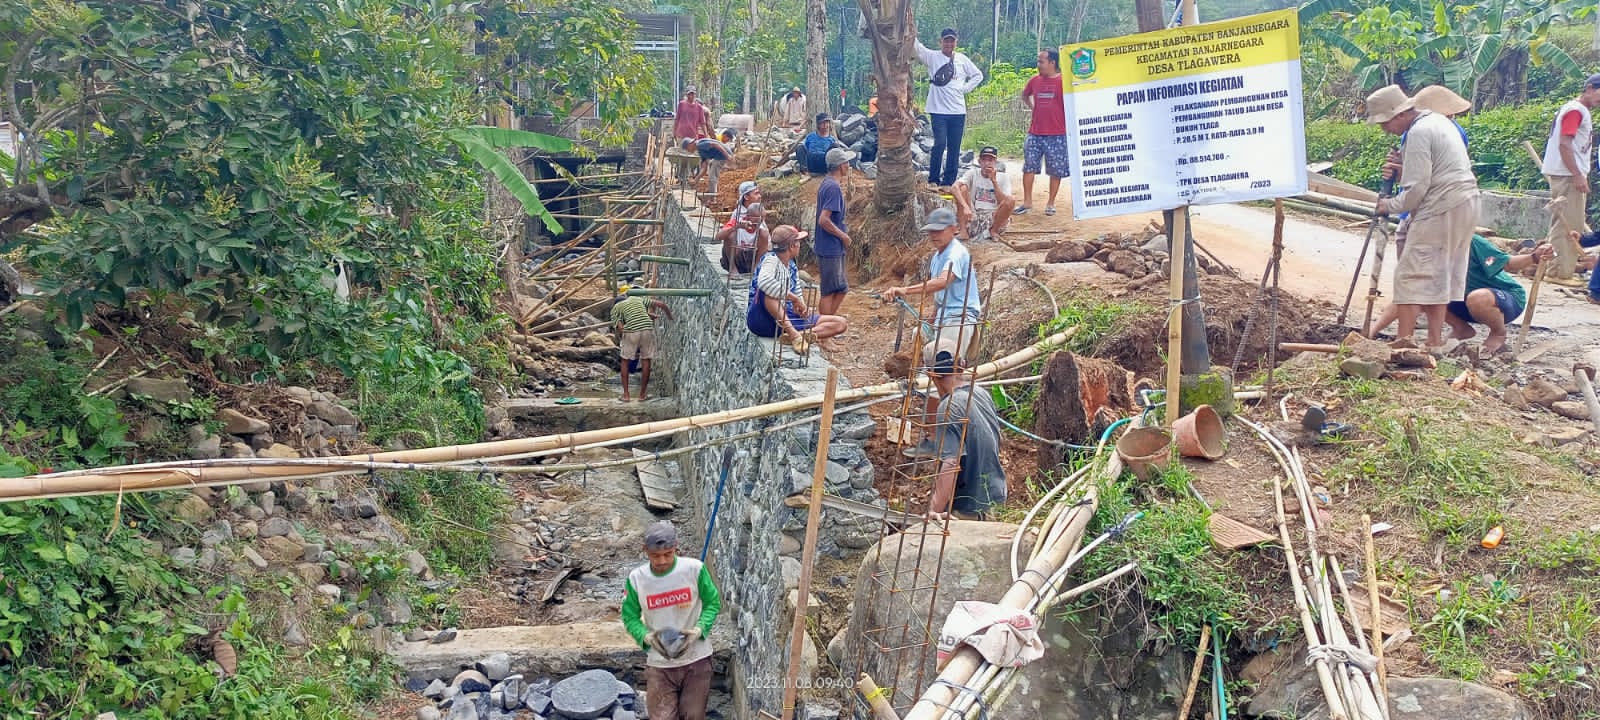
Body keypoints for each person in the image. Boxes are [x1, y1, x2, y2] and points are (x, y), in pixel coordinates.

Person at [1368, 84, 1479, 354]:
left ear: (1399, 114)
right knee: (1438, 274)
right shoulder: (1438, 122)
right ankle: (1434, 342)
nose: (1385, 130)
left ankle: (1403, 342)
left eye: (1385, 123)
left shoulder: (1419, 131)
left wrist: (1389, 205)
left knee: (1410, 276)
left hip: (1442, 205)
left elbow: (1417, 188)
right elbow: (1430, 172)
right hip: (1464, 201)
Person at [882, 207, 983, 459]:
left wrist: (905, 291)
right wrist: (933, 316)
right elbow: (941, 294)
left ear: (953, 229)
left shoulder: (956, 253)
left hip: (959, 319)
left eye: (939, 230)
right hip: (946, 318)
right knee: (933, 376)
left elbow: (943, 281)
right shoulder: (938, 255)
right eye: (931, 231)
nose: (934, 235)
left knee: (944, 375)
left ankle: (955, 439)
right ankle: (934, 438)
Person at [1369, 238, 1553, 355]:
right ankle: (1461, 328)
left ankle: (1498, 332)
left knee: (1478, 298)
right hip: (1460, 302)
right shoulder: (1427, 247)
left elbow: (1509, 263)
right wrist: (1371, 333)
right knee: (1419, 291)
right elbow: (1406, 296)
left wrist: (1534, 257)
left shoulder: (1472, 242)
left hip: (1503, 299)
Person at [621, 521, 720, 720]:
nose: (662, 561)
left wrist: (699, 630)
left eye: (668, 554)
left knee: (693, 715)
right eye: (655, 555)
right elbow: (630, 617)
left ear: (676, 548)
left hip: (696, 659)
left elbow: (713, 603)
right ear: (645, 550)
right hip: (660, 663)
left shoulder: (694, 569)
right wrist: (646, 637)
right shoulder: (637, 579)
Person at [917, 334, 1006, 520]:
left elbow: (951, 463)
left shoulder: (948, 407)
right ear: (962, 364)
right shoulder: (979, 392)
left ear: (931, 374)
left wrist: (934, 510)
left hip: (969, 506)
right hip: (994, 494)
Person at [1539, 74, 1600, 284]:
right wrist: (1577, 174)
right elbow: (1565, 144)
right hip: (1567, 174)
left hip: (1566, 172)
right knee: (1567, 224)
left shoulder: (1577, 110)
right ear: (1589, 88)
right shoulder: (1576, 110)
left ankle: (1559, 268)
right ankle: (1558, 272)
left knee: (1566, 222)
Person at [746, 225, 849, 348]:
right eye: (798, 242)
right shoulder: (771, 260)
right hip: (763, 319)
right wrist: (794, 298)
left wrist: (802, 307)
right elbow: (764, 282)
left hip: (785, 316)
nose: (800, 245)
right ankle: (794, 334)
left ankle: (800, 335)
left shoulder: (791, 265)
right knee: (767, 292)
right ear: (791, 246)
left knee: (840, 323)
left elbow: (796, 290)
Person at [915, 27, 984, 188]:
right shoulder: (932, 57)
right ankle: (933, 179)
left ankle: (949, 181)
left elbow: (978, 75)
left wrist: (965, 88)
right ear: (941, 41)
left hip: (958, 111)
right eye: (946, 40)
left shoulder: (962, 59)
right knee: (939, 143)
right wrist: (908, 28)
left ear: (956, 42)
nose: (949, 43)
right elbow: (917, 48)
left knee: (954, 147)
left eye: (952, 41)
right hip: (938, 111)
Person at [1019, 48, 1070, 216]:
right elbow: (1025, 95)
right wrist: (1033, 107)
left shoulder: (1064, 82)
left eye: (1041, 61)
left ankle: (1051, 203)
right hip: (1035, 132)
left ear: (1052, 62)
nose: (1038, 64)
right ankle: (1027, 202)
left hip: (1058, 133)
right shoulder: (1034, 81)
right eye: (1038, 61)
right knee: (1029, 166)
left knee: (1056, 170)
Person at [610, 286, 674, 402]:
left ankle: (626, 395)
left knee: (625, 360)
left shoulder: (616, 308)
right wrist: (670, 317)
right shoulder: (638, 299)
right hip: (647, 329)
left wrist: (628, 340)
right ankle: (642, 395)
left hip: (631, 331)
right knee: (646, 359)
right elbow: (661, 304)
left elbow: (621, 328)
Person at [815, 147, 856, 316]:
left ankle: (827, 323)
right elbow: (824, 220)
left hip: (830, 246)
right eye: (847, 162)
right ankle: (825, 327)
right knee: (830, 291)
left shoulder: (828, 183)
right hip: (830, 247)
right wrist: (843, 236)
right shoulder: (833, 188)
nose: (849, 165)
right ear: (841, 165)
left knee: (841, 288)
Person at [953, 146, 1015, 241]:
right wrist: (965, 207)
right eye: (984, 160)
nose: (987, 163)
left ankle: (994, 230)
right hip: (975, 214)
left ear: (995, 162)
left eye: (990, 160)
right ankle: (963, 231)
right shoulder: (973, 173)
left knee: (1011, 199)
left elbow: (1005, 202)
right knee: (962, 188)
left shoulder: (1003, 177)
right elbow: (954, 187)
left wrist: (994, 181)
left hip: (994, 216)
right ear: (979, 161)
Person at [717, 182, 769, 273]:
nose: (759, 196)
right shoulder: (738, 215)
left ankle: (755, 268)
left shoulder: (759, 211)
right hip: (739, 253)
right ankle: (733, 268)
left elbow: (766, 241)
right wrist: (737, 226)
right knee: (731, 234)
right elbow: (718, 237)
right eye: (756, 193)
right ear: (746, 197)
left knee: (765, 234)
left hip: (751, 254)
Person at [683, 130, 734, 195]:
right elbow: (704, 168)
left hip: (722, 156)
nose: (688, 151)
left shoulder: (700, 144)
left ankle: (712, 196)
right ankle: (712, 191)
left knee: (712, 177)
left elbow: (715, 144)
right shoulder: (700, 151)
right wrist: (696, 179)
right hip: (718, 157)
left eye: (687, 149)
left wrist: (727, 156)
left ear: (690, 144)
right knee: (711, 166)